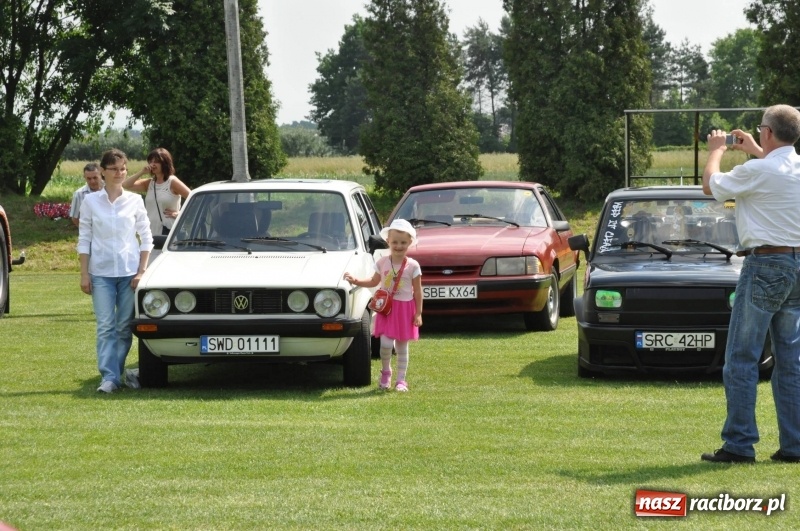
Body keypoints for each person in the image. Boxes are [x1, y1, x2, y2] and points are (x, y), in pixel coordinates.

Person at [700, 104, 800, 463]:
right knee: (790, 360)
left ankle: (740, 444)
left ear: (769, 132)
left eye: (761, 130)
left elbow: (710, 187)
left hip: (766, 264)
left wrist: (716, 151)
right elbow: (778, 172)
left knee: (741, 357)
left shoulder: (757, 170)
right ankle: (795, 445)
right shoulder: (791, 167)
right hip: (797, 265)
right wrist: (756, 152)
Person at [78, 149, 153, 393]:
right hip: (100, 273)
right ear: (103, 171)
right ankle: (109, 377)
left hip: (129, 273)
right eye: (114, 169)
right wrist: (84, 273)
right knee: (105, 325)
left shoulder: (134, 201)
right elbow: (84, 238)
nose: (120, 173)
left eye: (123, 169)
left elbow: (146, 237)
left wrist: (142, 271)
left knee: (123, 327)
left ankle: (115, 374)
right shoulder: (90, 202)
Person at [344, 219, 423, 392]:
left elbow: (417, 291)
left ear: (410, 242)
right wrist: (356, 280)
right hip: (387, 309)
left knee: (402, 346)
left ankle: (401, 380)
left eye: (403, 242)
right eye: (395, 242)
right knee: (386, 344)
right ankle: (386, 372)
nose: (399, 246)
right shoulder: (382, 263)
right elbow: (373, 281)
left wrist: (418, 314)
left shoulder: (413, 266)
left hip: (405, 310)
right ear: (388, 242)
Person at [122, 147, 191, 235]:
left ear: (165, 163)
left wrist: (180, 214)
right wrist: (142, 172)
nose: (152, 164)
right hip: (151, 231)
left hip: (169, 231)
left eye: (156, 162)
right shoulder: (149, 183)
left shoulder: (172, 181)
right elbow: (125, 185)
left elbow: (195, 198)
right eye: (151, 161)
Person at [69, 163, 104, 227]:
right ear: (84, 177)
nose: (92, 181)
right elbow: (75, 218)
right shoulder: (79, 194)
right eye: (89, 178)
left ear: (101, 175)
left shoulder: (110, 190)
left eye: (95, 178)